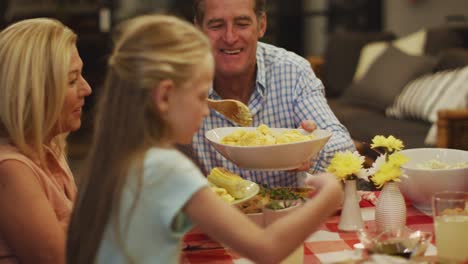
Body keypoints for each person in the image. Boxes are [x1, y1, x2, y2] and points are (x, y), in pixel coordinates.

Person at [66, 14, 343, 264]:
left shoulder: (122, 156)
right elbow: (266, 249)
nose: (205, 110)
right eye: (201, 97)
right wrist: (327, 198)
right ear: (164, 97)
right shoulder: (166, 168)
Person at [190, 0, 356, 187]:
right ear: (199, 30)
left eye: (242, 24)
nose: (230, 37)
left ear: (261, 25)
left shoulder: (293, 71)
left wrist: (310, 150)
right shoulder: (179, 82)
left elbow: (345, 148)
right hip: (213, 214)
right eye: (217, 25)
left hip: (289, 211)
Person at [0, 18, 92, 263]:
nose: (87, 89)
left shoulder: (51, 148)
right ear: (34, 90)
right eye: (72, 80)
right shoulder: (11, 169)